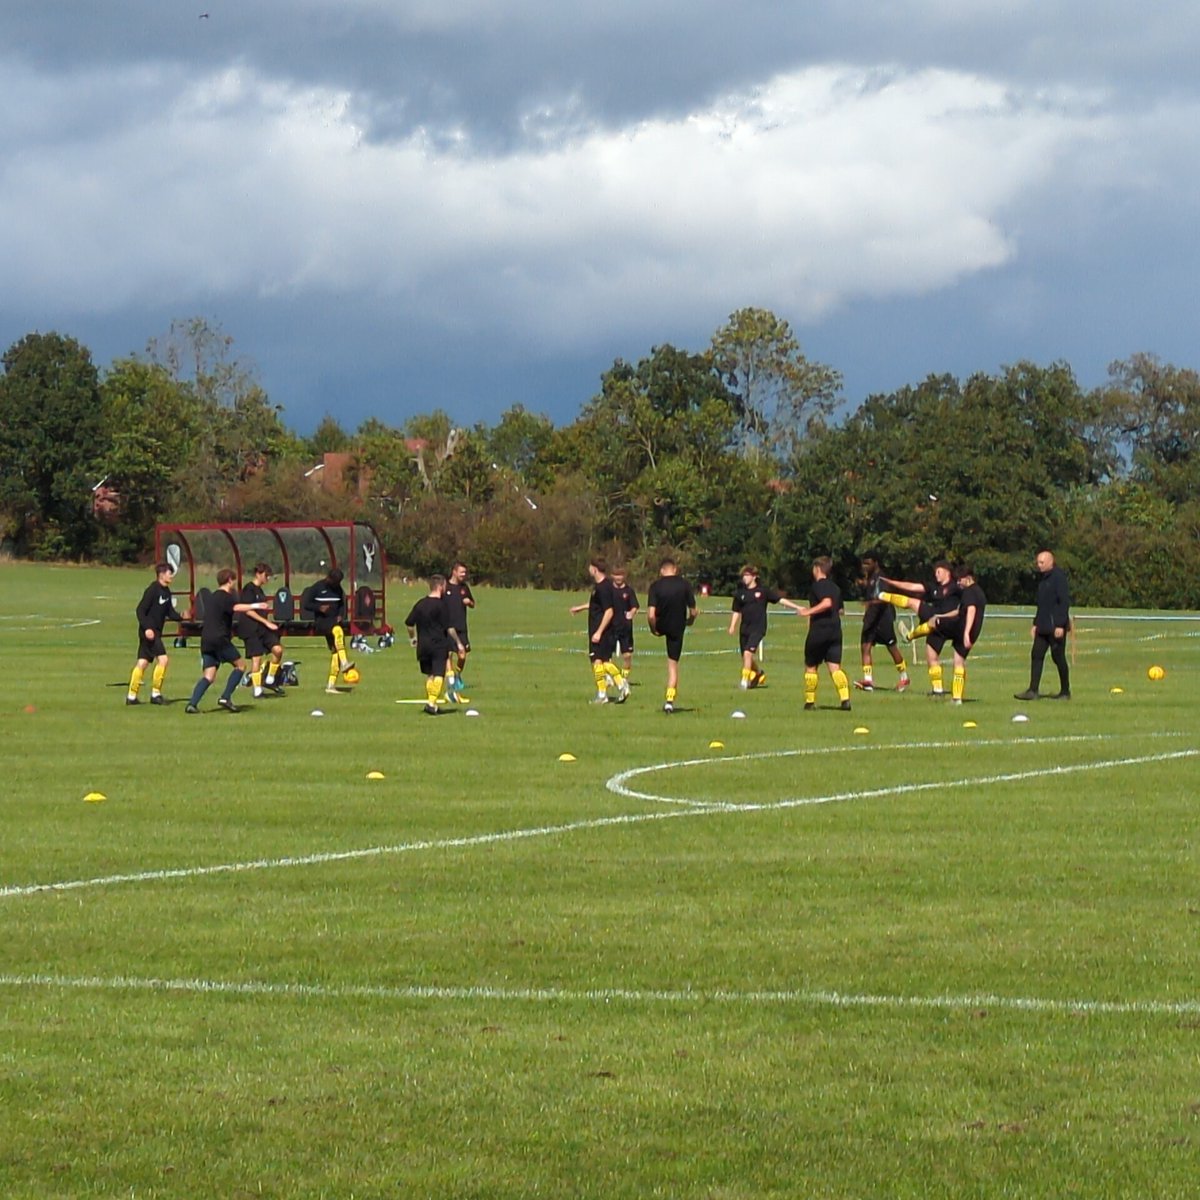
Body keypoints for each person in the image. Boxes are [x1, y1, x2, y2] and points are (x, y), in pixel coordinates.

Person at [185, 568, 273, 713]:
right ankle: (225, 697)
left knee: (209, 675)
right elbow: (236, 607)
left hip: (206, 639)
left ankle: (192, 704)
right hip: (220, 639)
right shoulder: (226, 596)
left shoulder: (212, 597)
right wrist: (255, 605)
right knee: (241, 666)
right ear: (230, 581)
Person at [874, 560, 960, 696]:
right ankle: (937, 690)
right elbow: (912, 587)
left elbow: (968, 595)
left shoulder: (956, 587)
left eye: (938, 571)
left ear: (947, 571)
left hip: (949, 621)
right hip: (934, 615)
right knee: (932, 657)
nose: (936, 574)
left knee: (920, 612)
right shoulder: (933, 587)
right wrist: (890, 582)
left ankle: (909, 636)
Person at [910, 562, 987, 704]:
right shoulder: (979, 591)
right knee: (959, 661)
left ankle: (957, 698)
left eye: (960, 580)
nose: (958, 583)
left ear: (968, 578)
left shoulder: (970, 592)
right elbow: (959, 611)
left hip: (965, 630)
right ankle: (956, 697)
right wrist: (941, 616)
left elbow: (971, 611)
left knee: (958, 662)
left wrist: (966, 634)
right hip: (969, 630)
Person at [727, 565, 802, 689]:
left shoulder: (763, 591)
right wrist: (732, 626)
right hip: (744, 628)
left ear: (754, 576)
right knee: (746, 656)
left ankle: (744, 681)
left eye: (747, 575)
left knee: (747, 654)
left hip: (758, 628)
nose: (744, 578)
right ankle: (757, 673)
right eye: (743, 576)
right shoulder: (740, 593)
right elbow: (736, 610)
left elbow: (780, 600)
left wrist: (797, 607)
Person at [569, 557, 630, 704]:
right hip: (603, 630)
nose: (589, 570)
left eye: (590, 567)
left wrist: (599, 632)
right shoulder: (605, 585)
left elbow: (609, 611)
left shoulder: (603, 587)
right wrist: (580, 608)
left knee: (598, 661)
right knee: (601, 661)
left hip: (601, 630)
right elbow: (598, 605)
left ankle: (609, 691)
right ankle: (617, 687)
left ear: (594, 569)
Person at [1015, 549, 1072, 701]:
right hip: (1043, 626)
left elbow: (1063, 602)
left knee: (1058, 657)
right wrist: (1035, 623)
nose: (1038, 565)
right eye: (1038, 562)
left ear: (1050, 562)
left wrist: (1060, 624)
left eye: (1041, 562)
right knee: (1036, 655)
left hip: (1055, 627)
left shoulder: (1059, 578)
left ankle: (1065, 691)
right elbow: (1042, 604)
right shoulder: (1043, 580)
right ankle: (1033, 690)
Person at [404, 574, 465, 715]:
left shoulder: (420, 604)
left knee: (429, 675)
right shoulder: (442, 605)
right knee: (439, 675)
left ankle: (431, 702)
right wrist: (458, 643)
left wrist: (413, 638)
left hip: (423, 645)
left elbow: (409, 623)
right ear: (440, 586)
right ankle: (431, 703)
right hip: (438, 645)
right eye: (444, 586)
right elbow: (449, 627)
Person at [797, 556, 852, 711]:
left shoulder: (818, 586)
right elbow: (840, 610)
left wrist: (808, 612)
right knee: (835, 667)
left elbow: (826, 603)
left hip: (819, 630)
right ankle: (845, 699)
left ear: (817, 569)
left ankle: (809, 702)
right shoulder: (836, 588)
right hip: (835, 631)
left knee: (811, 666)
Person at [126, 562, 183, 705]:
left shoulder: (167, 592)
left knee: (143, 662)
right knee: (163, 660)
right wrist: (147, 629)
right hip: (149, 632)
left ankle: (131, 696)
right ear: (162, 575)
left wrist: (182, 616)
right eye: (170, 573)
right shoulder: (152, 590)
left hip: (155, 632)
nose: (171, 576)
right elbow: (140, 610)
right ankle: (156, 694)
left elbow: (169, 612)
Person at [645, 557, 697, 713]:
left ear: (662, 571)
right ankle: (669, 700)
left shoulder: (655, 586)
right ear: (675, 569)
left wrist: (653, 629)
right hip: (677, 626)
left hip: (662, 624)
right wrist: (690, 621)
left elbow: (651, 615)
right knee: (673, 665)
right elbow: (694, 611)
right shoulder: (685, 585)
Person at [854, 552, 910, 693]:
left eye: (868, 563)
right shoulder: (871, 578)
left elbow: (882, 599)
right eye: (863, 563)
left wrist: (869, 603)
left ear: (875, 563)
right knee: (865, 646)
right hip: (871, 618)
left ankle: (904, 677)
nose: (864, 566)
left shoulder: (882, 579)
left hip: (883, 618)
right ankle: (868, 680)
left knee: (892, 647)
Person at [237, 562, 284, 698]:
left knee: (278, 650)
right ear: (258, 574)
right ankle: (257, 690)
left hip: (262, 628)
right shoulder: (249, 589)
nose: (267, 578)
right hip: (251, 628)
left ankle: (270, 678)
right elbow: (248, 611)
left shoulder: (260, 590)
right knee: (256, 659)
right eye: (266, 575)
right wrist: (266, 622)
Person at [308, 567, 355, 695]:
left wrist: (341, 615)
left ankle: (331, 685)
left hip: (334, 620)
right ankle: (345, 662)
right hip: (322, 622)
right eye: (334, 582)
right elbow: (306, 603)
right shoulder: (317, 587)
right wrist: (319, 608)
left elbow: (342, 605)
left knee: (335, 653)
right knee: (339, 631)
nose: (336, 585)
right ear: (329, 578)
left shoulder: (338, 590)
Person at [443, 561, 475, 696]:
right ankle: (450, 680)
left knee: (462, 655)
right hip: (447, 626)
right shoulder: (445, 586)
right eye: (461, 572)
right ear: (454, 572)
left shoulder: (464, 588)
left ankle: (457, 674)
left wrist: (469, 602)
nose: (464, 574)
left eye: (465, 572)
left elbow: (473, 603)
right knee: (448, 654)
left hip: (461, 626)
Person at [610, 566, 640, 682]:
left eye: (620, 575)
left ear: (624, 576)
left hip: (625, 628)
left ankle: (624, 678)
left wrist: (631, 613)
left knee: (627, 655)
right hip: (611, 627)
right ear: (612, 576)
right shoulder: (609, 590)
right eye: (616, 575)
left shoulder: (629, 591)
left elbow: (635, 606)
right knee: (607, 656)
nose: (618, 578)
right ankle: (612, 677)